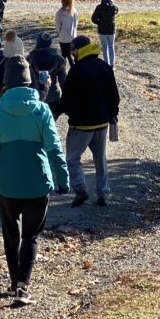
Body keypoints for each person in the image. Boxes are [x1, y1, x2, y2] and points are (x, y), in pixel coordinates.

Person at [0, 57, 69, 306]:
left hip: (6, 184)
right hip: (38, 181)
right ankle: (22, 286)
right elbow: (55, 148)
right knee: (31, 236)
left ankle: (13, 280)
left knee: (11, 233)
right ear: (29, 81)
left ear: (6, 82)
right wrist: (63, 179)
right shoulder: (41, 110)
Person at [55, 36, 119, 207]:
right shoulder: (105, 67)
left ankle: (80, 189)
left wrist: (54, 112)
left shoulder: (77, 71)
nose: (72, 54)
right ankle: (103, 193)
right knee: (100, 159)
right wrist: (112, 114)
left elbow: (67, 99)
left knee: (72, 159)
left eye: (73, 50)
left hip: (81, 125)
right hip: (101, 123)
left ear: (78, 50)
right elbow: (114, 95)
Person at [27, 31, 66, 106]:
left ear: (38, 42)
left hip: (35, 95)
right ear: (50, 42)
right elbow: (63, 81)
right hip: (54, 95)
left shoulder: (30, 58)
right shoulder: (59, 59)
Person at [91, 0, 119, 66]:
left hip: (102, 30)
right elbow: (117, 11)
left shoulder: (99, 7)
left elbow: (93, 19)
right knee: (111, 46)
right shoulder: (114, 7)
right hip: (111, 29)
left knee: (104, 47)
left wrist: (99, 22)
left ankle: (107, 63)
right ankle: (112, 64)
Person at [55, 0, 79, 65]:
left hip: (63, 37)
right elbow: (76, 24)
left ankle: (62, 71)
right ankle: (74, 70)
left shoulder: (59, 13)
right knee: (71, 55)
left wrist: (59, 33)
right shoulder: (74, 12)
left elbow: (58, 26)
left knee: (64, 55)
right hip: (73, 37)